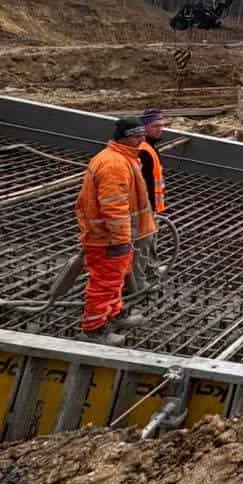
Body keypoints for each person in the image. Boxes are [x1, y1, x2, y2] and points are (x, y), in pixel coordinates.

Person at [75, 118, 156, 345]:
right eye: (137, 136)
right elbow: (114, 204)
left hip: (119, 236)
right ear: (125, 137)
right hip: (107, 238)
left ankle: (114, 313)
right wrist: (120, 239)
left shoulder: (123, 158)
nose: (142, 140)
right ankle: (93, 330)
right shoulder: (114, 164)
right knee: (104, 283)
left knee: (116, 278)